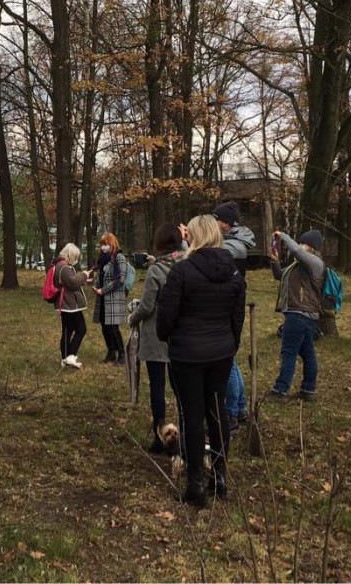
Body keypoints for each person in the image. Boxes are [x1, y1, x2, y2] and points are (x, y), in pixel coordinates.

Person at [156, 215, 246, 507]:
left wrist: (173, 339)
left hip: (188, 355)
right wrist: (229, 345)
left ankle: (195, 485)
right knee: (217, 412)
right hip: (220, 353)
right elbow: (237, 318)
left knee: (192, 416)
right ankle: (219, 478)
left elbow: (165, 318)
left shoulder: (182, 271)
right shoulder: (234, 272)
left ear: (193, 237)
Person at [127, 223, 185, 454]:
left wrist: (132, 317)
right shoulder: (187, 264)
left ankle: (159, 435)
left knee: (157, 388)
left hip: (156, 336)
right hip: (181, 334)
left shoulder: (156, 271)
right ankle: (184, 433)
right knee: (181, 389)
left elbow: (148, 305)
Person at [212, 201, 255, 433]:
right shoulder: (232, 242)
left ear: (226, 224)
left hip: (228, 306)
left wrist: (188, 241)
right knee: (231, 359)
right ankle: (240, 407)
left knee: (225, 362)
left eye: (216, 219)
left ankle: (230, 416)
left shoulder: (232, 247)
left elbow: (206, 254)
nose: (214, 223)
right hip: (231, 304)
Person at [269, 229, 325, 402]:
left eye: (304, 244)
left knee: (288, 353)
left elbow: (296, 251)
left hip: (299, 314)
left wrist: (283, 236)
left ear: (312, 247)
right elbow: (280, 276)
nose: (300, 246)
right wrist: (275, 262)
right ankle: (308, 390)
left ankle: (280, 391)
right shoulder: (297, 267)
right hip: (301, 315)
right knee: (307, 354)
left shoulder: (316, 263)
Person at [52, 243, 91, 369]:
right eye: (76, 257)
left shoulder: (60, 266)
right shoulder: (64, 268)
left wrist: (83, 281)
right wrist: (85, 275)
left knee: (67, 331)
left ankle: (65, 359)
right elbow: (73, 283)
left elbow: (69, 283)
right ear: (71, 255)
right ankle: (70, 356)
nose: (76, 260)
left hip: (65, 304)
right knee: (81, 329)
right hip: (69, 305)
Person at [92, 233, 128, 365]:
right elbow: (100, 276)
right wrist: (95, 286)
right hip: (102, 298)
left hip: (113, 298)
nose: (103, 247)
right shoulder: (102, 260)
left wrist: (104, 290)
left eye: (105, 244)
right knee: (104, 326)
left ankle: (122, 353)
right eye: (101, 244)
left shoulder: (119, 258)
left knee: (113, 327)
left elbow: (120, 279)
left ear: (112, 244)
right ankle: (111, 351)